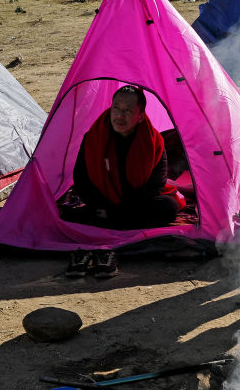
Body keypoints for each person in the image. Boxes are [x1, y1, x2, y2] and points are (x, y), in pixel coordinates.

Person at [61, 85, 182, 278]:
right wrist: (101, 204)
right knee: (66, 216)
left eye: (127, 110)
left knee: (168, 206)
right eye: (116, 108)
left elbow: (157, 183)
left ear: (141, 116)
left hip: (134, 204)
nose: (119, 115)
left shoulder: (153, 141)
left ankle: (108, 223)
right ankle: (118, 223)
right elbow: (81, 178)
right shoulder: (93, 137)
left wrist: (124, 207)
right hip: (104, 203)